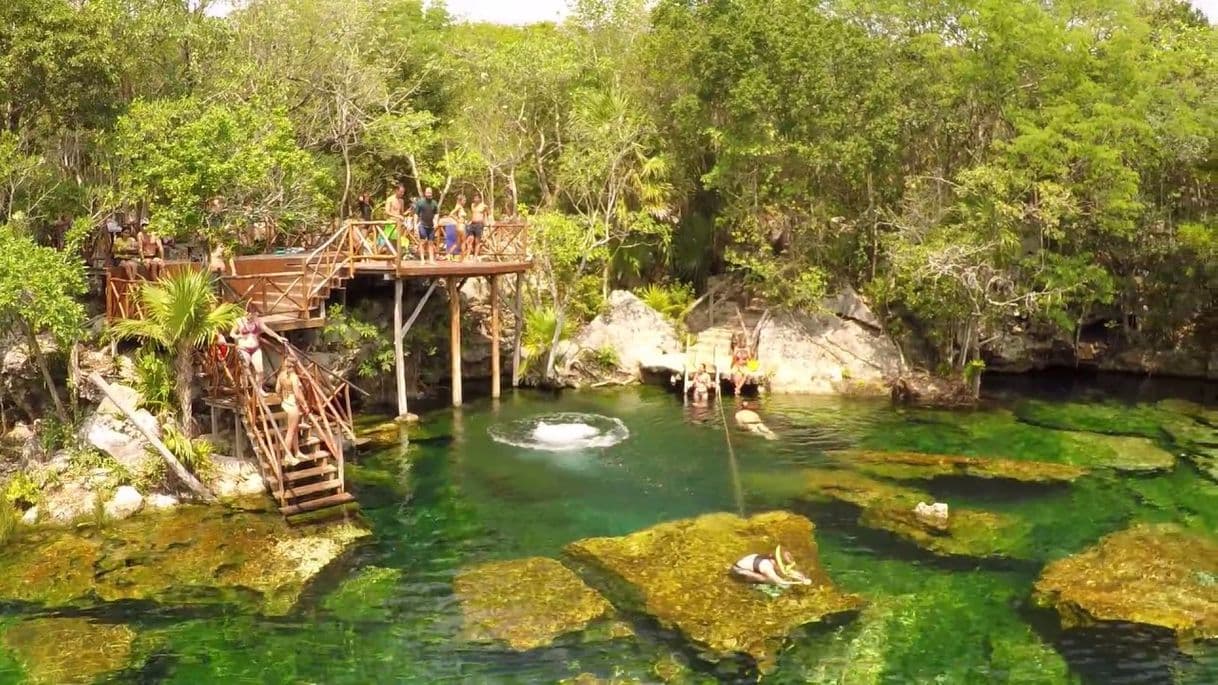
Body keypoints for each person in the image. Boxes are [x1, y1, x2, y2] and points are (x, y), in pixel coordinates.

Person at [227, 313, 285, 393]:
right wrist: (238, 336)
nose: (251, 316)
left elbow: (267, 330)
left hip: (255, 348)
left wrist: (278, 337)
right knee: (245, 371)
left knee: (260, 371)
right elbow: (231, 333)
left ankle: (259, 389)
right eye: (249, 314)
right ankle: (245, 391)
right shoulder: (240, 321)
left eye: (252, 314)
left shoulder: (258, 321)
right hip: (244, 348)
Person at [276, 356, 309, 466]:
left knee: (294, 430)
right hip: (292, 406)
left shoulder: (281, 375)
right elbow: (297, 393)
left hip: (285, 403)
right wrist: (304, 404)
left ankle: (297, 452)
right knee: (290, 432)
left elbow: (277, 390)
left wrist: (282, 397)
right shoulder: (294, 377)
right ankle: (287, 456)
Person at [730, 546, 813, 587]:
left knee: (776, 574)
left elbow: (786, 571)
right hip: (738, 571)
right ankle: (752, 585)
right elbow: (780, 582)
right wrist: (799, 583)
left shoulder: (772, 560)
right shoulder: (766, 566)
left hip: (752, 566)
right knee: (766, 579)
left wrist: (801, 577)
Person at [414, 187, 440, 263]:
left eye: (430, 193)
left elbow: (436, 214)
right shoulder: (420, 202)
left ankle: (431, 260)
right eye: (428, 193)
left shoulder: (434, 203)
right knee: (422, 242)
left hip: (431, 226)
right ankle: (422, 259)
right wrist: (415, 225)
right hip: (422, 225)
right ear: (425, 193)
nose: (429, 194)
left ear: (432, 194)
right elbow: (416, 214)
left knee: (431, 243)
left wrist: (436, 222)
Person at [443, 194, 467, 260]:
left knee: (457, 243)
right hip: (461, 225)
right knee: (463, 242)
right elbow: (451, 214)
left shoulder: (460, 207)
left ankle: (447, 255)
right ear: (460, 200)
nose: (465, 202)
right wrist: (458, 220)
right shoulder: (459, 207)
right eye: (464, 200)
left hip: (458, 226)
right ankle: (463, 258)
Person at [465, 193, 487, 260]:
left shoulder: (484, 206)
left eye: (477, 198)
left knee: (477, 241)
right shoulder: (472, 205)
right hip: (472, 224)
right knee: (470, 240)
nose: (475, 199)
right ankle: (467, 255)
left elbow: (486, 214)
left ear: (480, 199)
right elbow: (473, 214)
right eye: (474, 198)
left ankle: (475, 257)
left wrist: (486, 223)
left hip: (479, 224)